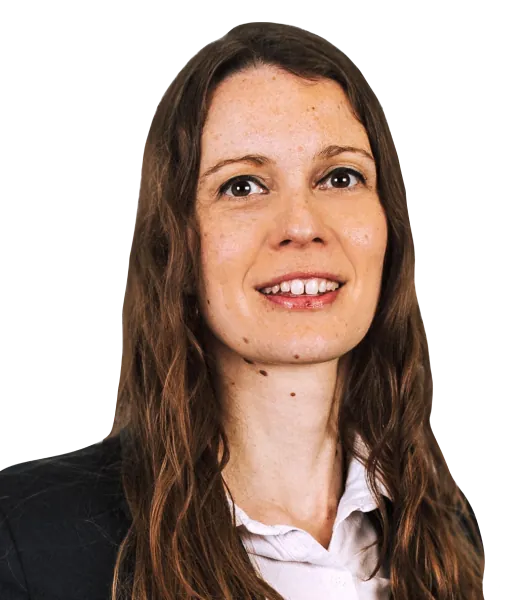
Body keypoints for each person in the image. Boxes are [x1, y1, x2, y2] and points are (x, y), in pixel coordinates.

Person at [0, 22, 485, 600]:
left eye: (340, 177)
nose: (302, 225)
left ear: (389, 227)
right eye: (243, 186)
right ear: (177, 245)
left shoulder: (456, 537)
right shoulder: (27, 542)